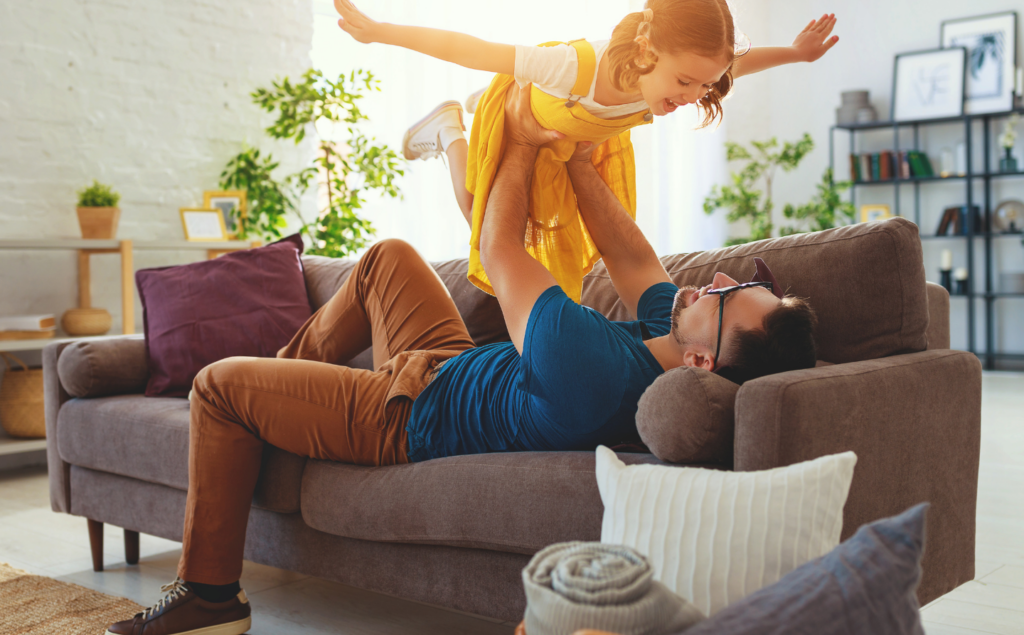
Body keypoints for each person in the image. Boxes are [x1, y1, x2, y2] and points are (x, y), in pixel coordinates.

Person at [105, 82, 817, 635]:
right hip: (444, 361)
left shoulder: (596, 369)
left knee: (217, 385)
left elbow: (499, 248)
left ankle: (208, 595)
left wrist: (522, 137)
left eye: (732, 298)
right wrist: (575, 156)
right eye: (743, 280)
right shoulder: (674, 330)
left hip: (405, 416)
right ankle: (283, 388)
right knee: (385, 258)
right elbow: (627, 251)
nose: (719, 280)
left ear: (701, 364)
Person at [331, 0, 839, 302]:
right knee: (481, 222)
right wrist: (380, 31)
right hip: (520, 120)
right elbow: (473, 48)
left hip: (579, 141)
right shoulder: (572, 66)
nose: (692, 96)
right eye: (684, 82)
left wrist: (796, 53)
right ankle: (448, 130)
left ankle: (452, 125)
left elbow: (738, 65)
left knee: (584, 236)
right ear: (645, 50)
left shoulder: (678, 77)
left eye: (705, 86)